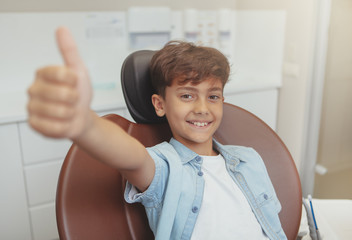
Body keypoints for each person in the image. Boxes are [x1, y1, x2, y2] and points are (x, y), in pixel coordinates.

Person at [27, 27, 287, 240]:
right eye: (187, 95)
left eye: (213, 96)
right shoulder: (165, 166)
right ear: (159, 104)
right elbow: (130, 157)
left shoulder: (248, 160)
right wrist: (85, 124)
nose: (202, 108)